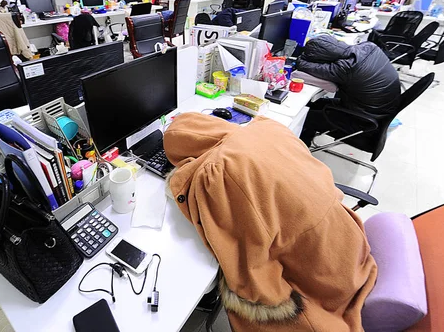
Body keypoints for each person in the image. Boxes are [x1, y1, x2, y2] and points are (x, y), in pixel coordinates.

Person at [164, 113, 377, 331]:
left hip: (321, 273)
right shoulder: (268, 128)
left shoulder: (218, 170)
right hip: (348, 239)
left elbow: (248, 257)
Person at [296, 34, 401, 147]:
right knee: (314, 104)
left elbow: (305, 66)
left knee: (302, 116)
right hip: (377, 110)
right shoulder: (370, 46)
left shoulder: (346, 67)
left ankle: (301, 150)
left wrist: (300, 58)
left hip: (363, 120)